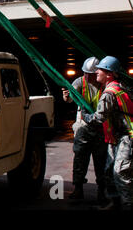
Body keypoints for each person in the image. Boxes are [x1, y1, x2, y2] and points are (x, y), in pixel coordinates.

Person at [81, 56, 133, 210]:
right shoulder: (121, 86)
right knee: (109, 172)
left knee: (121, 173)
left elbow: (98, 119)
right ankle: (114, 202)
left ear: (109, 74)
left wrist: (85, 115)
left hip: (127, 137)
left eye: (100, 70)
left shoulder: (109, 93)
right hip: (116, 137)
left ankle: (128, 205)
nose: (96, 72)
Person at [62, 57, 107, 202]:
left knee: (101, 160)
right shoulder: (79, 82)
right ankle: (78, 189)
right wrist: (66, 97)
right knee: (80, 157)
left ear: (97, 73)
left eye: (90, 73)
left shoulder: (104, 84)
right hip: (84, 126)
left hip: (100, 126)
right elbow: (69, 99)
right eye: (85, 73)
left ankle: (102, 191)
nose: (87, 76)